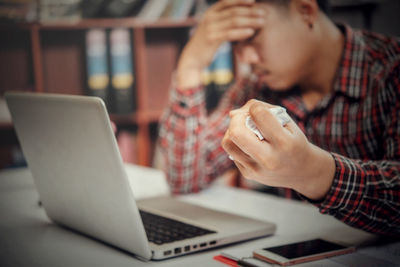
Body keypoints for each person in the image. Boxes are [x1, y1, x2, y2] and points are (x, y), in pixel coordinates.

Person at [158, 0, 400, 237]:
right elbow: (186, 179)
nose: (246, 58)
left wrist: (312, 173)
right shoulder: (256, 87)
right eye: (235, 44)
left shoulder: (392, 70)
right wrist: (190, 65)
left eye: (252, 36)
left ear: (305, 12)